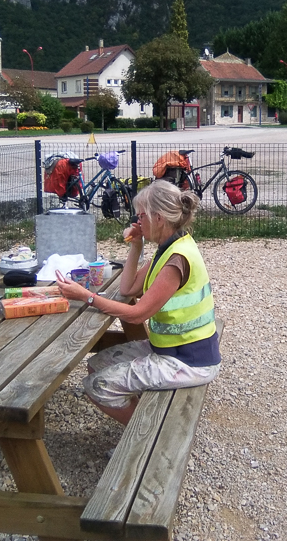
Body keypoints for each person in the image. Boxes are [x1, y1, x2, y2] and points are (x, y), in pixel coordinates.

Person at [55, 179, 221, 425]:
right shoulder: (169, 246)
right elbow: (128, 288)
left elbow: (136, 315)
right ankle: (141, 418)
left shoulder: (176, 259)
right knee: (96, 364)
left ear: (159, 218)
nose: (137, 221)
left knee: (97, 385)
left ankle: (145, 436)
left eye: (141, 216)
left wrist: (87, 296)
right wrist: (136, 245)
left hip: (189, 361)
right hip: (170, 349)